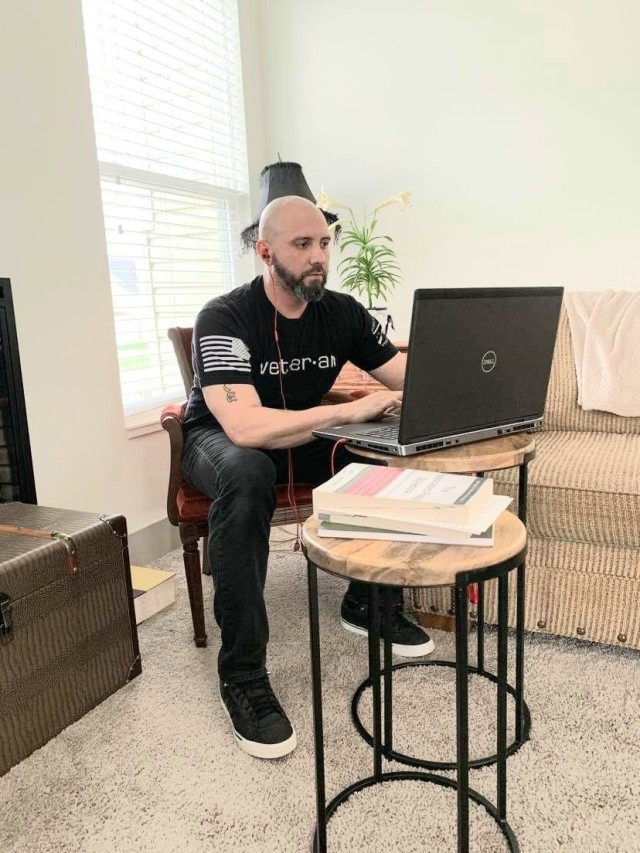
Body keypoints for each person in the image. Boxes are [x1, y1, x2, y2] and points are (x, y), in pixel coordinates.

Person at [181, 195, 434, 760]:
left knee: (378, 450)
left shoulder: (341, 312)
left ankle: (368, 604)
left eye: (324, 243)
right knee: (249, 472)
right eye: (302, 245)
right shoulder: (223, 317)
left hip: (301, 437)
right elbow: (243, 427)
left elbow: (404, 374)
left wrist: (459, 369)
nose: (319, 256)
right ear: (265, 251)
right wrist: (346, 411)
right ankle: (243, 674)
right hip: (215, 440)